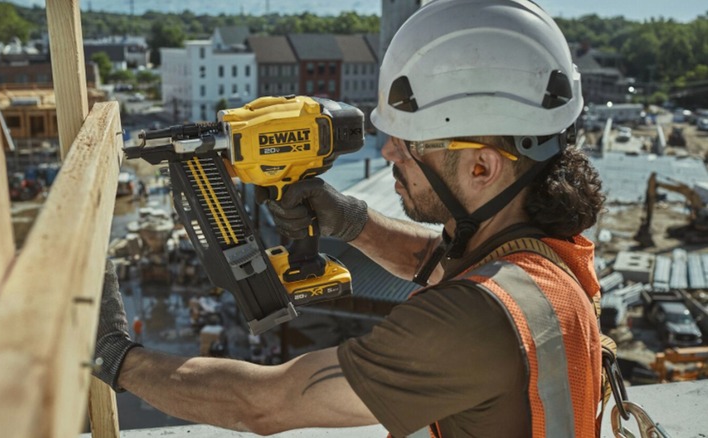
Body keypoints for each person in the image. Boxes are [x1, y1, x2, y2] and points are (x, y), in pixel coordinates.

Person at [93, 1, 606, 436]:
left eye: (411, 143)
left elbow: (266, 403)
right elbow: (441, 262)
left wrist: (117, 357)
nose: (388, 152)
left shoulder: (469, 326)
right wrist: (352, 221)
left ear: (482, 166)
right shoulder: (546, 262)